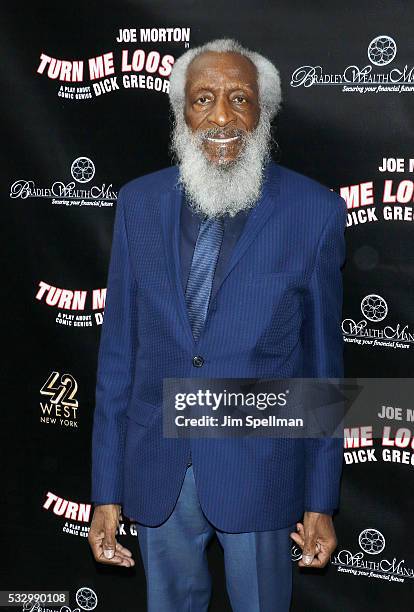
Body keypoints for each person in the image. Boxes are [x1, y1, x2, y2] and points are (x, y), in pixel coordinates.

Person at [88, 38, 347, 611]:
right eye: (203, 99)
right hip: (159, 468)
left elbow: (325, 368)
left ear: (264, 111)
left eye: (240, 99)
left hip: (260, 467)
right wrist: (105, 491)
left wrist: (320, 499)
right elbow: (118, 355)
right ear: (183, 112)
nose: (222, 117)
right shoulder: (138, 204)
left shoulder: (315, 212)